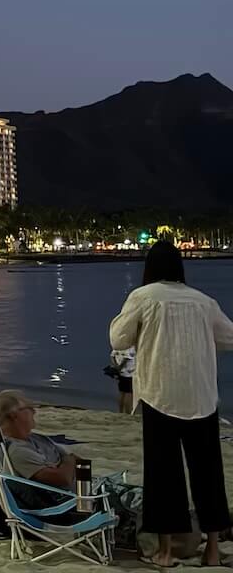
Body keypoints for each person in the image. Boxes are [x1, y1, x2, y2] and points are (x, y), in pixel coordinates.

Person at [110, 240, 233, 569]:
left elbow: (119, 339)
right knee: (208, 475)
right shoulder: (202, 301)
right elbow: (227, 338)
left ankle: (166, 551)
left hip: (160, 395)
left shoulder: (144, 296)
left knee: (164, 476)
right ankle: (211, 551)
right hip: (202, 397)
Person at [0, 390, 85, 509]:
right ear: (13, 415)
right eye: (28, 408)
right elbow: (64, 479)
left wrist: (66, 464)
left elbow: (82, 463)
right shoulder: (18, 451)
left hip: (82, 496)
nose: (34, 411)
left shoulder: (38, 439)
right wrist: (68, 461)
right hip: (65, 507)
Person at [108, 347, 136, 415]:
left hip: (120, 373)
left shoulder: (118, 344)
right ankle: (128, 413)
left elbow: (112, 356)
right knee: (129, 393)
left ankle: (120, 412)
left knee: (121, 392)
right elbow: (127, 358)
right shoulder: (130, 347)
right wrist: (119, 367)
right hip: (129, 373)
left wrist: (116, 367)